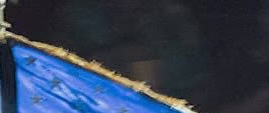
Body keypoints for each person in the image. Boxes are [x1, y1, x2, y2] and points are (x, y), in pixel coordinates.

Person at [55, 0, 209, 101]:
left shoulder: (171, 13)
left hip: (170, 103)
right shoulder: (81, 11)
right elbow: (60, 61)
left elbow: (195, 65)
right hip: (90, 93)